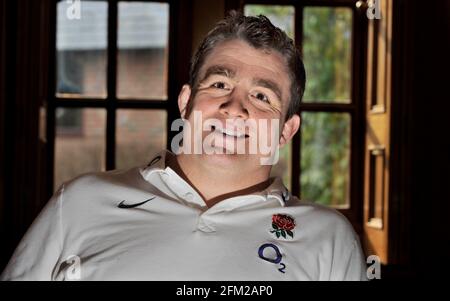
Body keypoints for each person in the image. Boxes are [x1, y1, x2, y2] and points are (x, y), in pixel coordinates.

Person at [1, 11, 367, 281]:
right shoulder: (78, 202)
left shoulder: (329, 240)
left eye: (261, 96)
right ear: (186, 102)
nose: (234, 108)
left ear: (286, 130)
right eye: (220, 84)